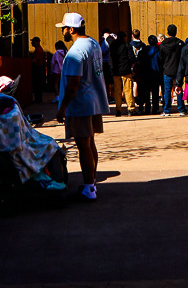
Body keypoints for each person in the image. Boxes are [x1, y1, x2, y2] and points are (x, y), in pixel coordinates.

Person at [55, 12, 109, 202]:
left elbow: (73, 85)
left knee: (83, 146)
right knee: (89, 143)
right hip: (93, 100)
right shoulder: (93, 43)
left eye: (64, 28)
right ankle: (91, 184)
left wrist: (62, 108)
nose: (62, 31)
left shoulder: (76, 52)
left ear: (71, 29)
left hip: (80, 104)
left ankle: (89, 189)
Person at [158, 24, 186, 117]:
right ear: (176, 32)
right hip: (178, 69)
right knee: (179, 89)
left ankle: (166, 110)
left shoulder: (163, 44)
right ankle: (181, 109)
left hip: (167, 69)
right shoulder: (181, 43)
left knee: (167, 90)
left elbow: (160, 58)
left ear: (167, 32)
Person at [109, 31, 137, 116]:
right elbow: (132, 58)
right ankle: (130, 108)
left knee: (117, 90)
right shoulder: (127, 46)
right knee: (128, 90)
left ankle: (118, 109)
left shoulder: (113, 46)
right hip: (126, 70)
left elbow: (111, 57)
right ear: (124, 37)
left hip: (116, 70)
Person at [144, 35, 162, 115]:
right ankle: (155, 108)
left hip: (147, 72)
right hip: (156, 73)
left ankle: (147, 108)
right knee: (155, 92)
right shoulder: (158, 51)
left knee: (147, 92)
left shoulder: (144, 51)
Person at [100, 29, 114, 101]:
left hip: (106, 62)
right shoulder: (114, 39)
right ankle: (113, 96)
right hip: (112, 62)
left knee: (107, 80)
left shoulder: (106, 41)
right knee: (112, 81)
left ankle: (109, 96)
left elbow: (102, 51)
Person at [30, 36, 45, 104]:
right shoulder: (37, 49)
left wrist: (29, 62)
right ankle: (38, 98)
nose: (31, 43)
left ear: (36, 42)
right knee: (37, 84)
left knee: (37, 84)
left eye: (33, 42)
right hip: (38, 68)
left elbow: (35, 60)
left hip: (38, 68)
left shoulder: (38, 50)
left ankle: (38, 99)